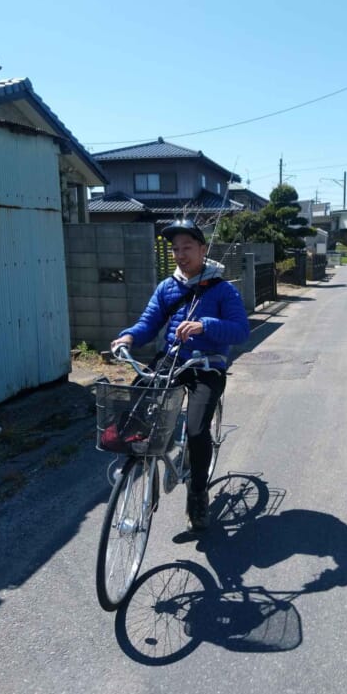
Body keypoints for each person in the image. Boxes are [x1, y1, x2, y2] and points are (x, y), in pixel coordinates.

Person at [111, 219, 250, 531]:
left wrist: (206, 326)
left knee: (197, 431)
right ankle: (146, 464)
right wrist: (129, 337)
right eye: (175, 248)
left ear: (203, 249)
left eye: (187, 247)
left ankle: (198, 493)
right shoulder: (167, 287)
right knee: (136, 409)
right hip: (172, 360)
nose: (180, 254)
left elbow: (241, 331)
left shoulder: (223, 290)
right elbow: (149, 322)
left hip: (207, 366)